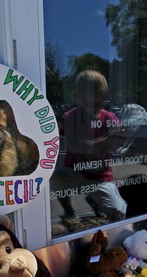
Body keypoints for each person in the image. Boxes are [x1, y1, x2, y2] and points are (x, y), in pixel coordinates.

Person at [52, 69, 127, 221]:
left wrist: (122, 136)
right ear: (78, 98)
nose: (94, 108)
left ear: (105, 99)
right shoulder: (70, 117)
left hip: (100, 177)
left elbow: (120, 141)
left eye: (99, 103)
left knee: (119, 213)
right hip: (74, 171)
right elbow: (76, 147)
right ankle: (69, 211)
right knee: (55, 176)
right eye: (88, 103)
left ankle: (94, 199)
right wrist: (108, 138)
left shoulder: (109, 117)